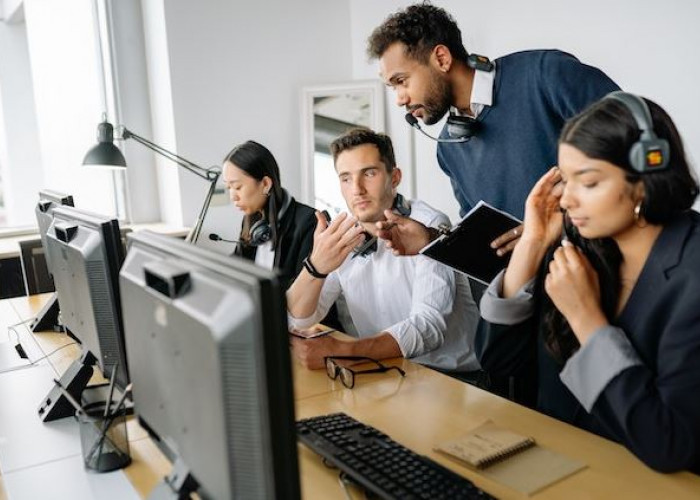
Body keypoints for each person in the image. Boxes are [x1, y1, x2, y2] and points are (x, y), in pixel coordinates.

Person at [476, 91, 700, 473]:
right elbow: (500, 364)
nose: (567, 201)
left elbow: (670, 445)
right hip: (556, 469)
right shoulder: (578, 246)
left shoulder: (692, 273)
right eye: (567, 181)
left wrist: (587, 320)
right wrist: (531, 244)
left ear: (647, 175)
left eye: (589, 182)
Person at [366, 3, 619, 257]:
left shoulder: (545, 74)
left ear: (441, 59)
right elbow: (486, 240)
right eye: (392, 87)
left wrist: (552, 228)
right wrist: (431, 240)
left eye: (401, 81)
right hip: (539, 292)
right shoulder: (448, 148)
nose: (399, 99)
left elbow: (632, 148)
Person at [287, 128, 480, 377]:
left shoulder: (430, 225)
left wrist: (345, 351)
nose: (356, 189)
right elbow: (298, 321)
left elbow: (428, 327)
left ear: (395, 177)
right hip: (386, 372)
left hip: (455, 379)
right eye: (345, 178)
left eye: (369, 173)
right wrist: (315, 266)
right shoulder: (343, 235)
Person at [222, 140, 317, 290]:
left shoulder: (308, 221)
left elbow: (305, 290)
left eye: (238, 187)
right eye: (229, 188)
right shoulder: (251, 220)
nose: (233, 196)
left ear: (265, 184)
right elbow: (239, 265)